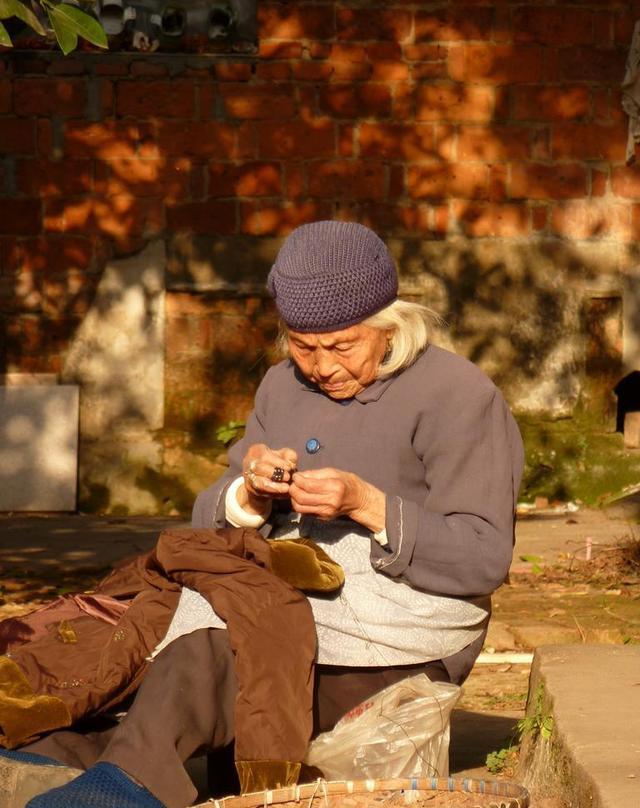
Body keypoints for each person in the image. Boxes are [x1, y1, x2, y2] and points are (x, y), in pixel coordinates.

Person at [2, 220, 524, 808]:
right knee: (142, 619)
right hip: (282, 607)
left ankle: (123, 787)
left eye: (342, 345)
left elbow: (482, 556)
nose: (322, 365)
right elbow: (209, 523)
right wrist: (248, 496)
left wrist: (368, 504)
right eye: (304, 346)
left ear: (391, 326)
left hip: (391, 643)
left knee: (215, 640)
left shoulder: (458, 395)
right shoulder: (282, 387)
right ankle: (50, 757)